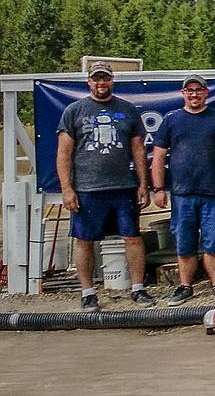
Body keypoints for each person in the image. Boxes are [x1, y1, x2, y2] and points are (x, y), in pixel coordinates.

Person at [56, 62, 155, 311]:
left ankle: (138, 288)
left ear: (112, 81)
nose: (102, 83)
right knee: (84, 240)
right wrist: (67, 189)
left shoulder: (127, 109)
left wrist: (143, 184)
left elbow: (138, 150)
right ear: (89, 82)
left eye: (106, 79)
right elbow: (63, 154)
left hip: (124, 187)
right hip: (87, 189)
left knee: (132, 237)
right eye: (97, 79)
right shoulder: (74, 111)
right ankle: (88, 293)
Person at [151, 74, 215, 306]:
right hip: (182, 194)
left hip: (214, 194)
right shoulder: (171, 120)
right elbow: (158, 156)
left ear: (206, 93)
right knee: (184, 243)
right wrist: (158, 188)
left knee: (214, 242)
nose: (194, 94)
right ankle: (185, 286)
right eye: (189, 90)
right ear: (183, 94)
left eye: (198, 90)